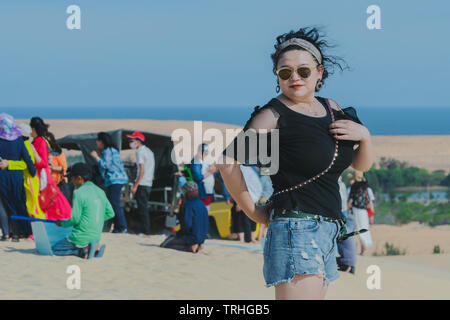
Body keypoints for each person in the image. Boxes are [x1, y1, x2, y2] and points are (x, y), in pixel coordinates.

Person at [217, 27, 374, 300]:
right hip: (296, 229)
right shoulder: (274, 115)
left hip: (327, 230)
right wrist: (253, 211)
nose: (295, 78)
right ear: (277, 77)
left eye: (303, 71)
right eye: (285, 72)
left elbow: (361, 166)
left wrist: (366, 137)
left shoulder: (332, 108)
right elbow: (227, 162)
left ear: (320, 72)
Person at [53, 163, 115, 258]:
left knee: (55, 249)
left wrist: (62, 224)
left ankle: (82, 251)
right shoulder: (100, 191)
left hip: (80, 237)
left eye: (72, 178)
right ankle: (93, 249)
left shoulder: (78, 192)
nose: (71, 181)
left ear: (79, 178)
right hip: (96, 237)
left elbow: (75, 219)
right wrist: (93, 218)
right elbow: (110, 213)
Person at [0, 114, 37, 241]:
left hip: (2, 176)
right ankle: (21, 232)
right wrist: (33, 173)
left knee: (5, 204)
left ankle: (9, 233)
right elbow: (27, 160)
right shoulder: (19, 141)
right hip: (16, 177)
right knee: (18, 203)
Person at [30, 117, 71, 220]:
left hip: (43, 178)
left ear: (34, 129)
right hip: (44, 176)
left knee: (46, 202)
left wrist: (33, 155)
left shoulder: (40, 141)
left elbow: (43, 163)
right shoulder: (40, 141)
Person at [4, 123, 46, 220]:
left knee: (32, 206)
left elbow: (26, 164)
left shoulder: (25, 146)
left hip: (29, 180)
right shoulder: (25, 145)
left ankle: (38, 226)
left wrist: (9, 164)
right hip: (28, 179)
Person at [90, 132, 129, 233]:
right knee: (113, 204)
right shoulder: (112, 151)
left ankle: (122, 227)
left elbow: (105, 165)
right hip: (117, 180)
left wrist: (96, 157)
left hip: (115, 180)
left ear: (102, 142)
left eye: (98, 141)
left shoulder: (108, 151)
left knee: (114, 204)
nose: (96, 143)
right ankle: (118, 227)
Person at [160, 181, 209, 253]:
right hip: (202, 237)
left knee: (164, 244)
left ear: (187, 192)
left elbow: (187, 225)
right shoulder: (202, 204)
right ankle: (198, 244)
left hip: (191, 237)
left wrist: (177, 233)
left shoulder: (189, 205)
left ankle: (190, 247)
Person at [126, 131, 155, 236]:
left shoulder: (140, 152)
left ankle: (145, 231)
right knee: (144, 207)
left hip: (142, 183)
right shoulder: (149, 151)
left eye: (132, 141)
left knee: (142, 208)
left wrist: (135, 185)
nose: (131, 143)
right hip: (148, 183)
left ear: (138, 142)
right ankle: (145, 230)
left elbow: (141, 170)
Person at [348, 171, 374, 256]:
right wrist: (371, 215)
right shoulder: (367, 188)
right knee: (363, 228)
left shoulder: (352, 187)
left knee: (351, 230)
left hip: (354, 211)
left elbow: (348, 202)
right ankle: (364, 251)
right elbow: (370, 203)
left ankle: (351, 251)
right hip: (363, 211)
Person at [336, 176, 356, 274]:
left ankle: (347, 269)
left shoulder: (337, 184)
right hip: (343, 210)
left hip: (339, 210)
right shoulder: (343, 185)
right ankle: (349, 268)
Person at [191, 143, 218, 210]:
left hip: (207, 192)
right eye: (204, 153)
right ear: (199, 152)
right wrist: (210, 172)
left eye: (206, 153)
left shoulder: (204, 161)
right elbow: (198, 177)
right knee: (202, 212)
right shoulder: (196, 161)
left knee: (206, 211)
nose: (205, 155)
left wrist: (214, 170)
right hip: (202, 192)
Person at [47, 132, 71, 202]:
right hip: (48, 185)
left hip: (59, 184)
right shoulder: (45, 153)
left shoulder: (58, 153)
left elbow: (64, 168)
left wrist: (51, 167)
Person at [256, 167, 274, 241]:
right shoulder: (270, 179)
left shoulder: (262, 178)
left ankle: (260, 239)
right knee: (266, 223)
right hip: (270, 199)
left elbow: (258, 189)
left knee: (262, 223)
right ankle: (263, 239)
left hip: (263, 199)